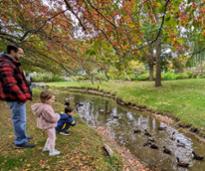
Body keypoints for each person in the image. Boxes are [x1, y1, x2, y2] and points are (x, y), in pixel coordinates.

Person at [0, 45, 35, 148]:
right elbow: (10, 84)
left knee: (21, 118)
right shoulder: (5, 63)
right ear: (12, 51)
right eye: (20, 53)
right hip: (14, 97)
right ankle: (20, 141)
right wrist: (22, 96)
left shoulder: (12, 62)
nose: (21, 56)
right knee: (19, 119)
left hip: (17, 97)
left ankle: (22, 136)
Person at [31, 90, 61, 156]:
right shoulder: (46, 108)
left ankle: (46, 147)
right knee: (53, 138)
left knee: (50, 137)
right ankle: (52, 151)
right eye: (52, 99)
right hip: (49, 125)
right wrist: (58, 115)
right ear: (46, 99)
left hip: (45, 125)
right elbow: (52, 118)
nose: (53, 101)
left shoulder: (43, 105)